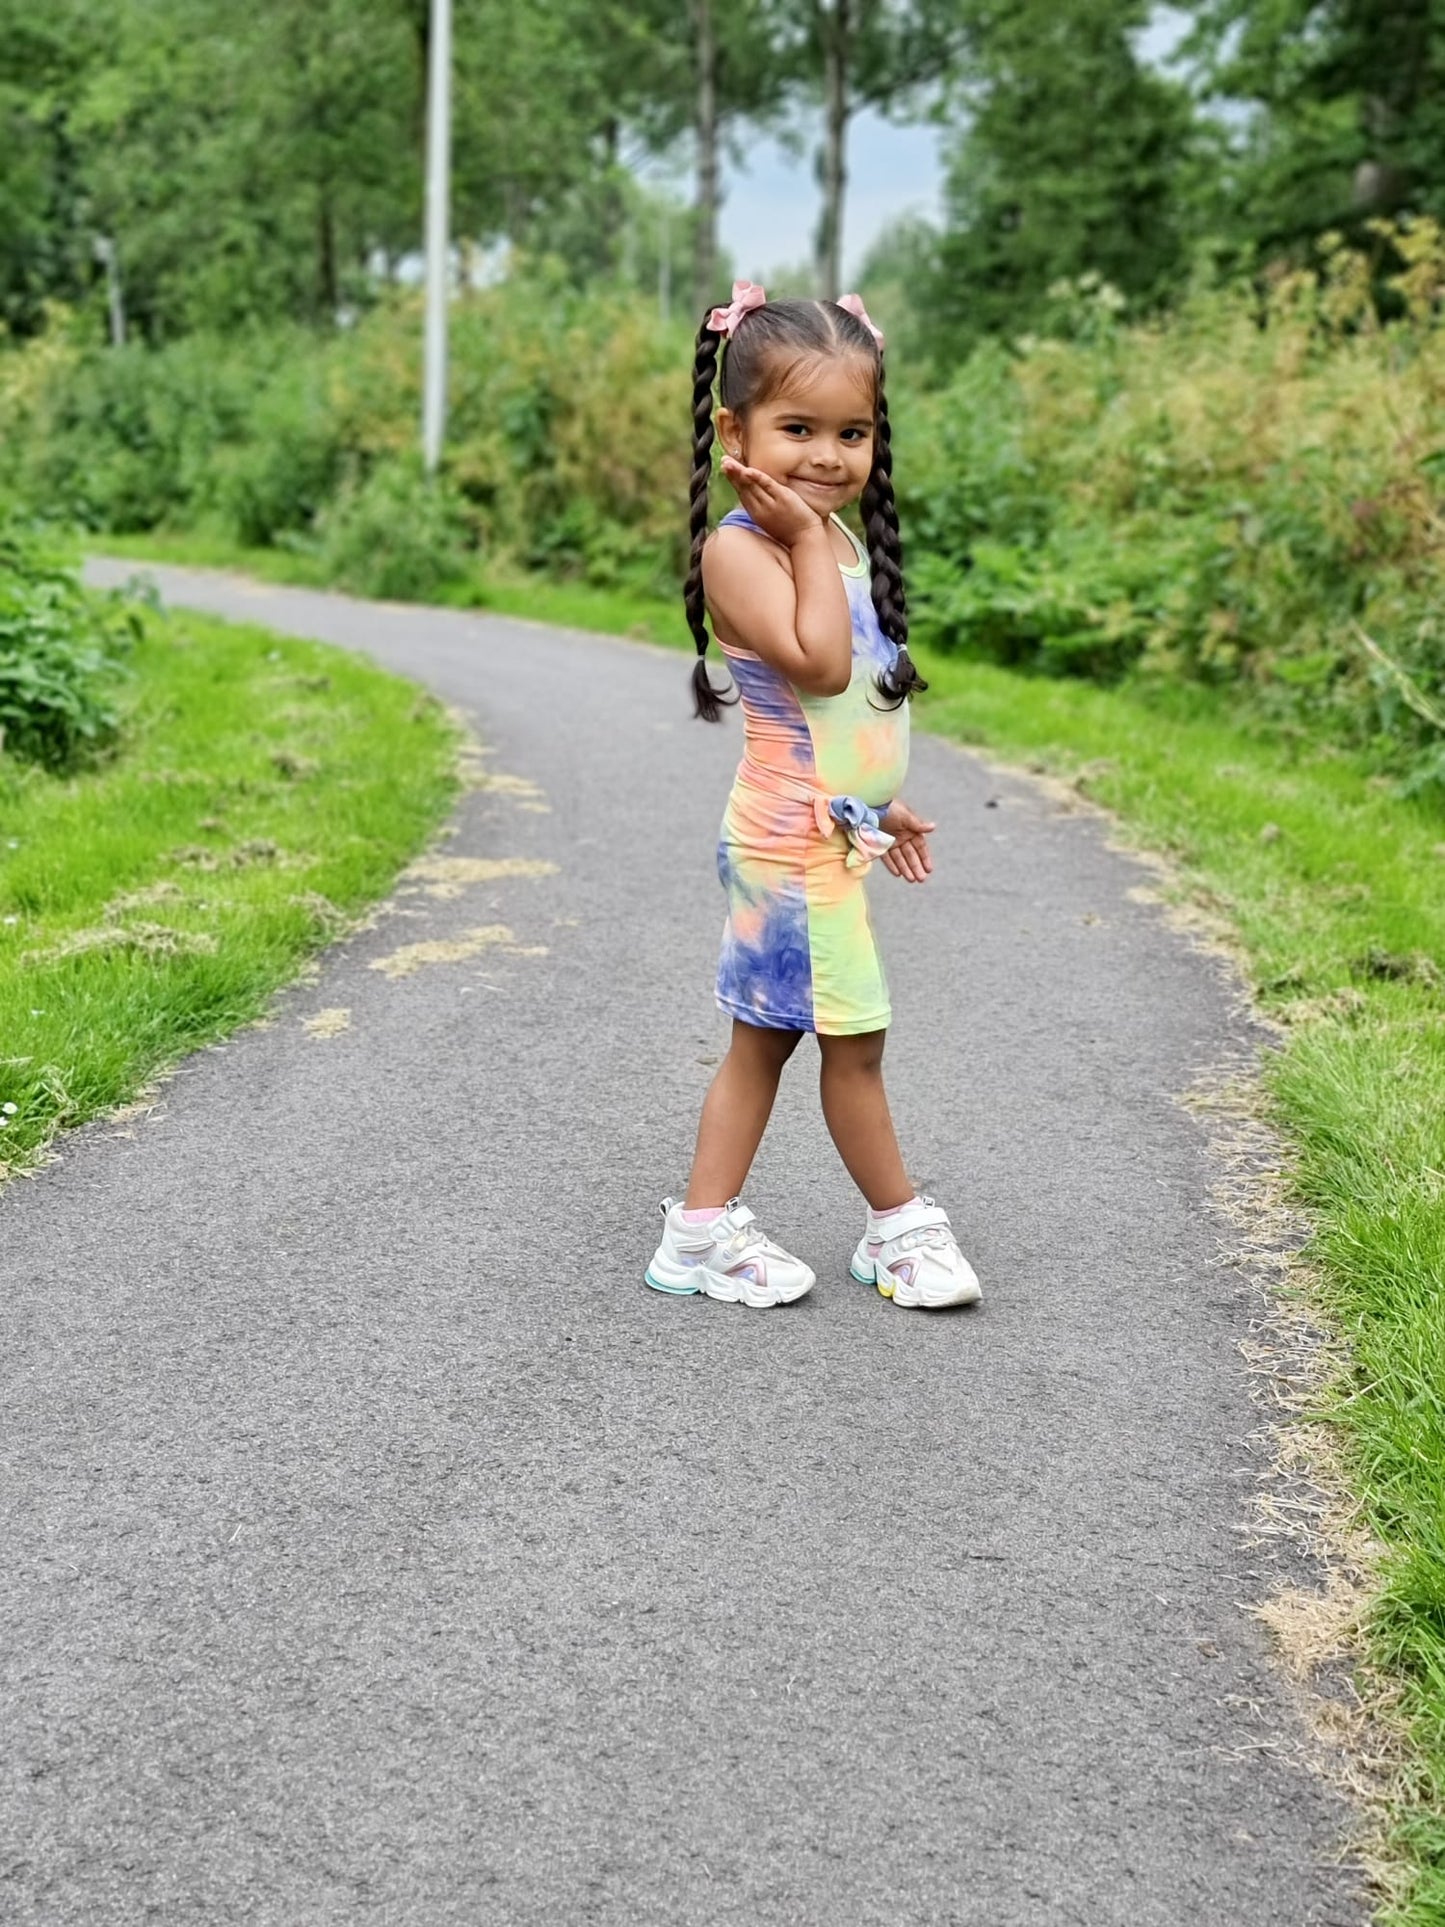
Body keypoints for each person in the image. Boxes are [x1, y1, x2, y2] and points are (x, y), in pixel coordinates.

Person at [644, 281, 982, 1313]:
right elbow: (821, 671)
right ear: (731, 426)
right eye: (796, 429)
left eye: (851, 432)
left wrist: (882, 804)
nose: (826, 457)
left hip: (824, 835)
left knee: (774, 1036)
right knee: (847, 1039)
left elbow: (856, 716)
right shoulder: (744, 550)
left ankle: (701, 1231)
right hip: (788, 846)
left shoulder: (829, 541)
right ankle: (897, 1227)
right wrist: (795, 543)